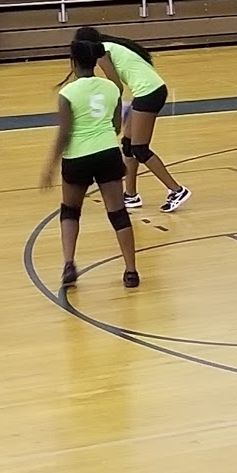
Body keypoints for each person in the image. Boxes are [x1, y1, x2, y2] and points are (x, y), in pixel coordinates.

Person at [41, 39, 139, 289]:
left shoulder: (67, 94)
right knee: (118, 213)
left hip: (77, 157)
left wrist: (49, 167)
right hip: (107, 152)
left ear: (73, 63)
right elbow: (117, 127)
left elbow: (64, 134)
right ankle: (131, 270)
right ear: (96, 61)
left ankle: (69, 264)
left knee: (70, 210)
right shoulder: (111, 89)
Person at [71, 26, 191, 213]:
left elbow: (116, 86)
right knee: (128, 144)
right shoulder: (108, 46)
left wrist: (112, 109)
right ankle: (131, 195)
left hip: (149, 93)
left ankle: (177, 190)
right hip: (147, 92)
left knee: (140, 149)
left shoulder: (103, 52)